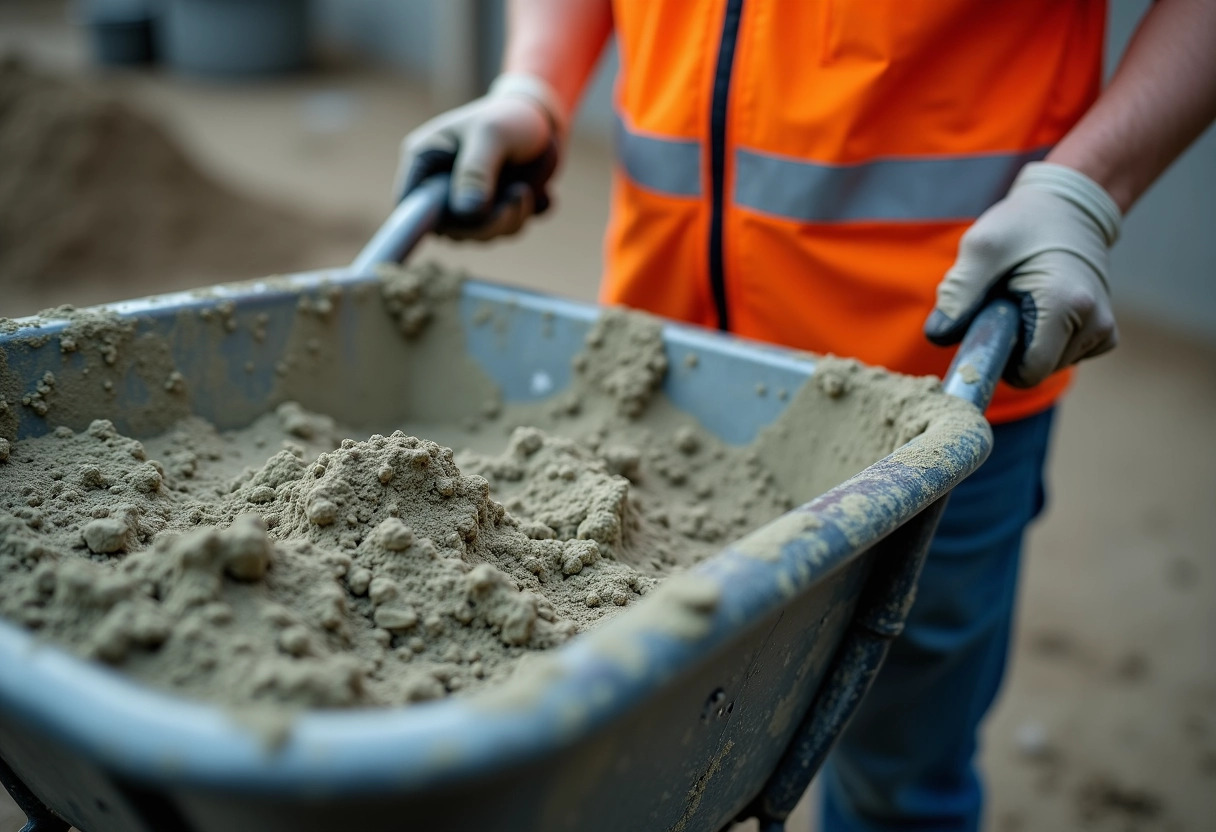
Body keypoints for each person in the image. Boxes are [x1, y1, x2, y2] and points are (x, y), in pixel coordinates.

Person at [395, 1, 1216, 829]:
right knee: (644, 757)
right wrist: (533, 84)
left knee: (895, 784)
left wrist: (1089, 187)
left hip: (925, 389)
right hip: (656, 377)